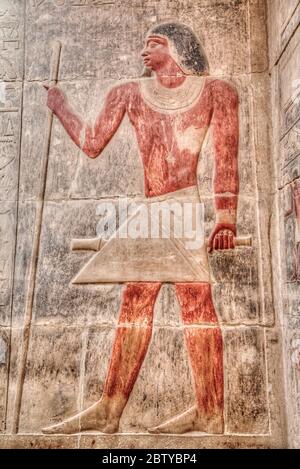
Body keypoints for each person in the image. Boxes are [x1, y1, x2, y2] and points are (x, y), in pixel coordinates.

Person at [42, 22, 239, 435]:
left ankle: (209, 410)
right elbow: (93, 142)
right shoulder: (128, 93)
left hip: (184, 207)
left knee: (197, 308)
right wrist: (62, 107)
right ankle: (110, 410)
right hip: (152, 213)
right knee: (135, 304)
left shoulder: (217, 91)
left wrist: (225, 218)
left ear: (178, 49)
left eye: (154, 44)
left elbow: (226, 158)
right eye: (144, 44)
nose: (144, 51)